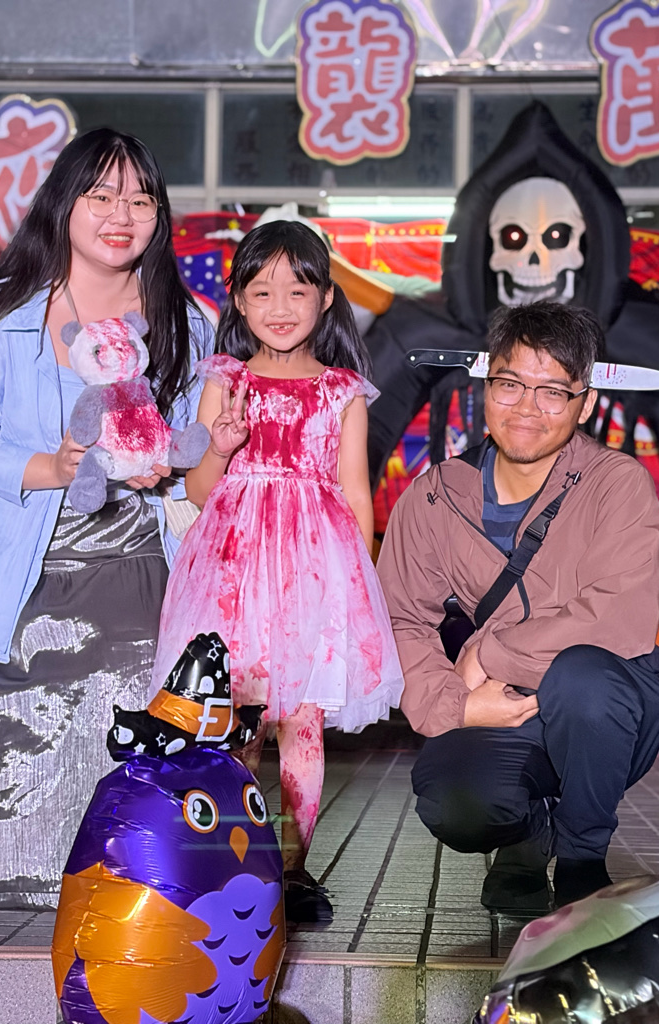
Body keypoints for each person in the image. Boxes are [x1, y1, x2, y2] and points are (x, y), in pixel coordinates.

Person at [0, 128, 213, 907]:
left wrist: (174, 466)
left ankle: (128, 888)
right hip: (18, 571)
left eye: (141, 200)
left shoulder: (186, 322)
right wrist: (46, 469)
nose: (122, 215)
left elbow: (195, 449)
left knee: (137, 727)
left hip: (139, 564)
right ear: (62, 203)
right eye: (102, 195)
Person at [377, 301, 659, 913]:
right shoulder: (436, 496)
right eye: (510, 384)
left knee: (583, 679)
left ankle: (581, 857)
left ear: (584, 403)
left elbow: (619, 617)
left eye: (552, 392)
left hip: (609, 700)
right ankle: (526, 834)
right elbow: (399, 618)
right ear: (487, 386)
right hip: (506, 703)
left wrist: (490, 653)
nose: (526, 408)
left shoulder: (615, 482)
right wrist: (456, 705)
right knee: (455, 800)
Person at [150, 220, 404, 923]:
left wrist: (360, 591)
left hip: (314, 580)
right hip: (231, 577)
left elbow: (357, 496)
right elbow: (200, 491)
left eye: (298, 289)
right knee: (239, 724)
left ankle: (294, 871)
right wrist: (220, 446)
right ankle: (237, 862)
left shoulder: (343, 392)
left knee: (303, 723)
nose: (280, 306)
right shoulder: (224, 380)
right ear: (237, 300)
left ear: (327, 297)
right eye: (261, 291)